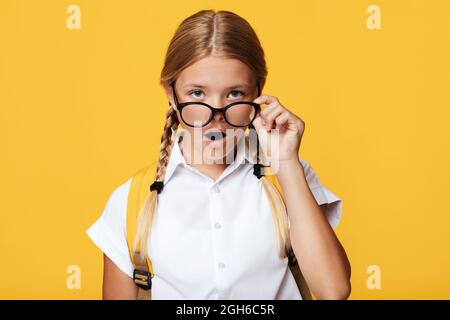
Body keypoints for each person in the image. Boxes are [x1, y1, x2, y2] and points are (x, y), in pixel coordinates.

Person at [87, 9, 351, 300]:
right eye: (197, 94)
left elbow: (333, 290)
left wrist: (287, 163)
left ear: (258, 92)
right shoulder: (130, 203)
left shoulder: (286, 177)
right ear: (171, 95)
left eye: (235, 94)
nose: (216, 116)